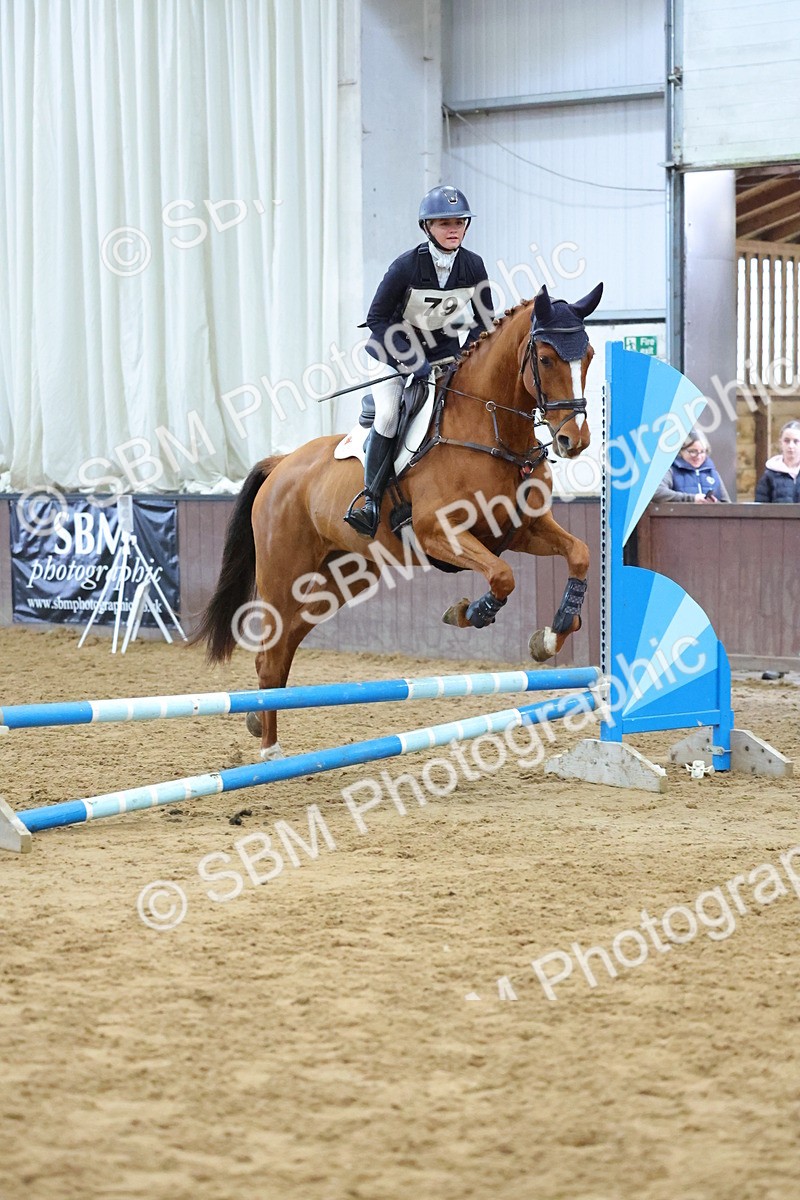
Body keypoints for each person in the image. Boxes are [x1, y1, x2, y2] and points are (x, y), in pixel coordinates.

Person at [344, 185, 493, 537]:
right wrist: (412, 360)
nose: (453, 229)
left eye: (459, 222)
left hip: (443, 351)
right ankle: (371, 500)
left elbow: (484, 322)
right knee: (389, 414)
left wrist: (467, 358)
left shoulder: (473, 266)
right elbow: (377, 318)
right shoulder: (406, 266)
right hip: (394, 351)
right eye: (444, 223)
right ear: (427, 227)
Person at [652, 430, 731, 503]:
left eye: (702, 452)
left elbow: (728, 505)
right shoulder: (671, 470)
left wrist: (714, 504)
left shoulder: (712, 473)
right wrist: (692, 499)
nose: (699, 456)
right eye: (693, 451)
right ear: (681, 451)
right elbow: (656, 492)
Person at [755, 419, 800, 503]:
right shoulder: (769, 476)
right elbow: (760, 511)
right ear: (781, 443)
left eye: (796, 441)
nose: (791, 446)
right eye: (787, 441)